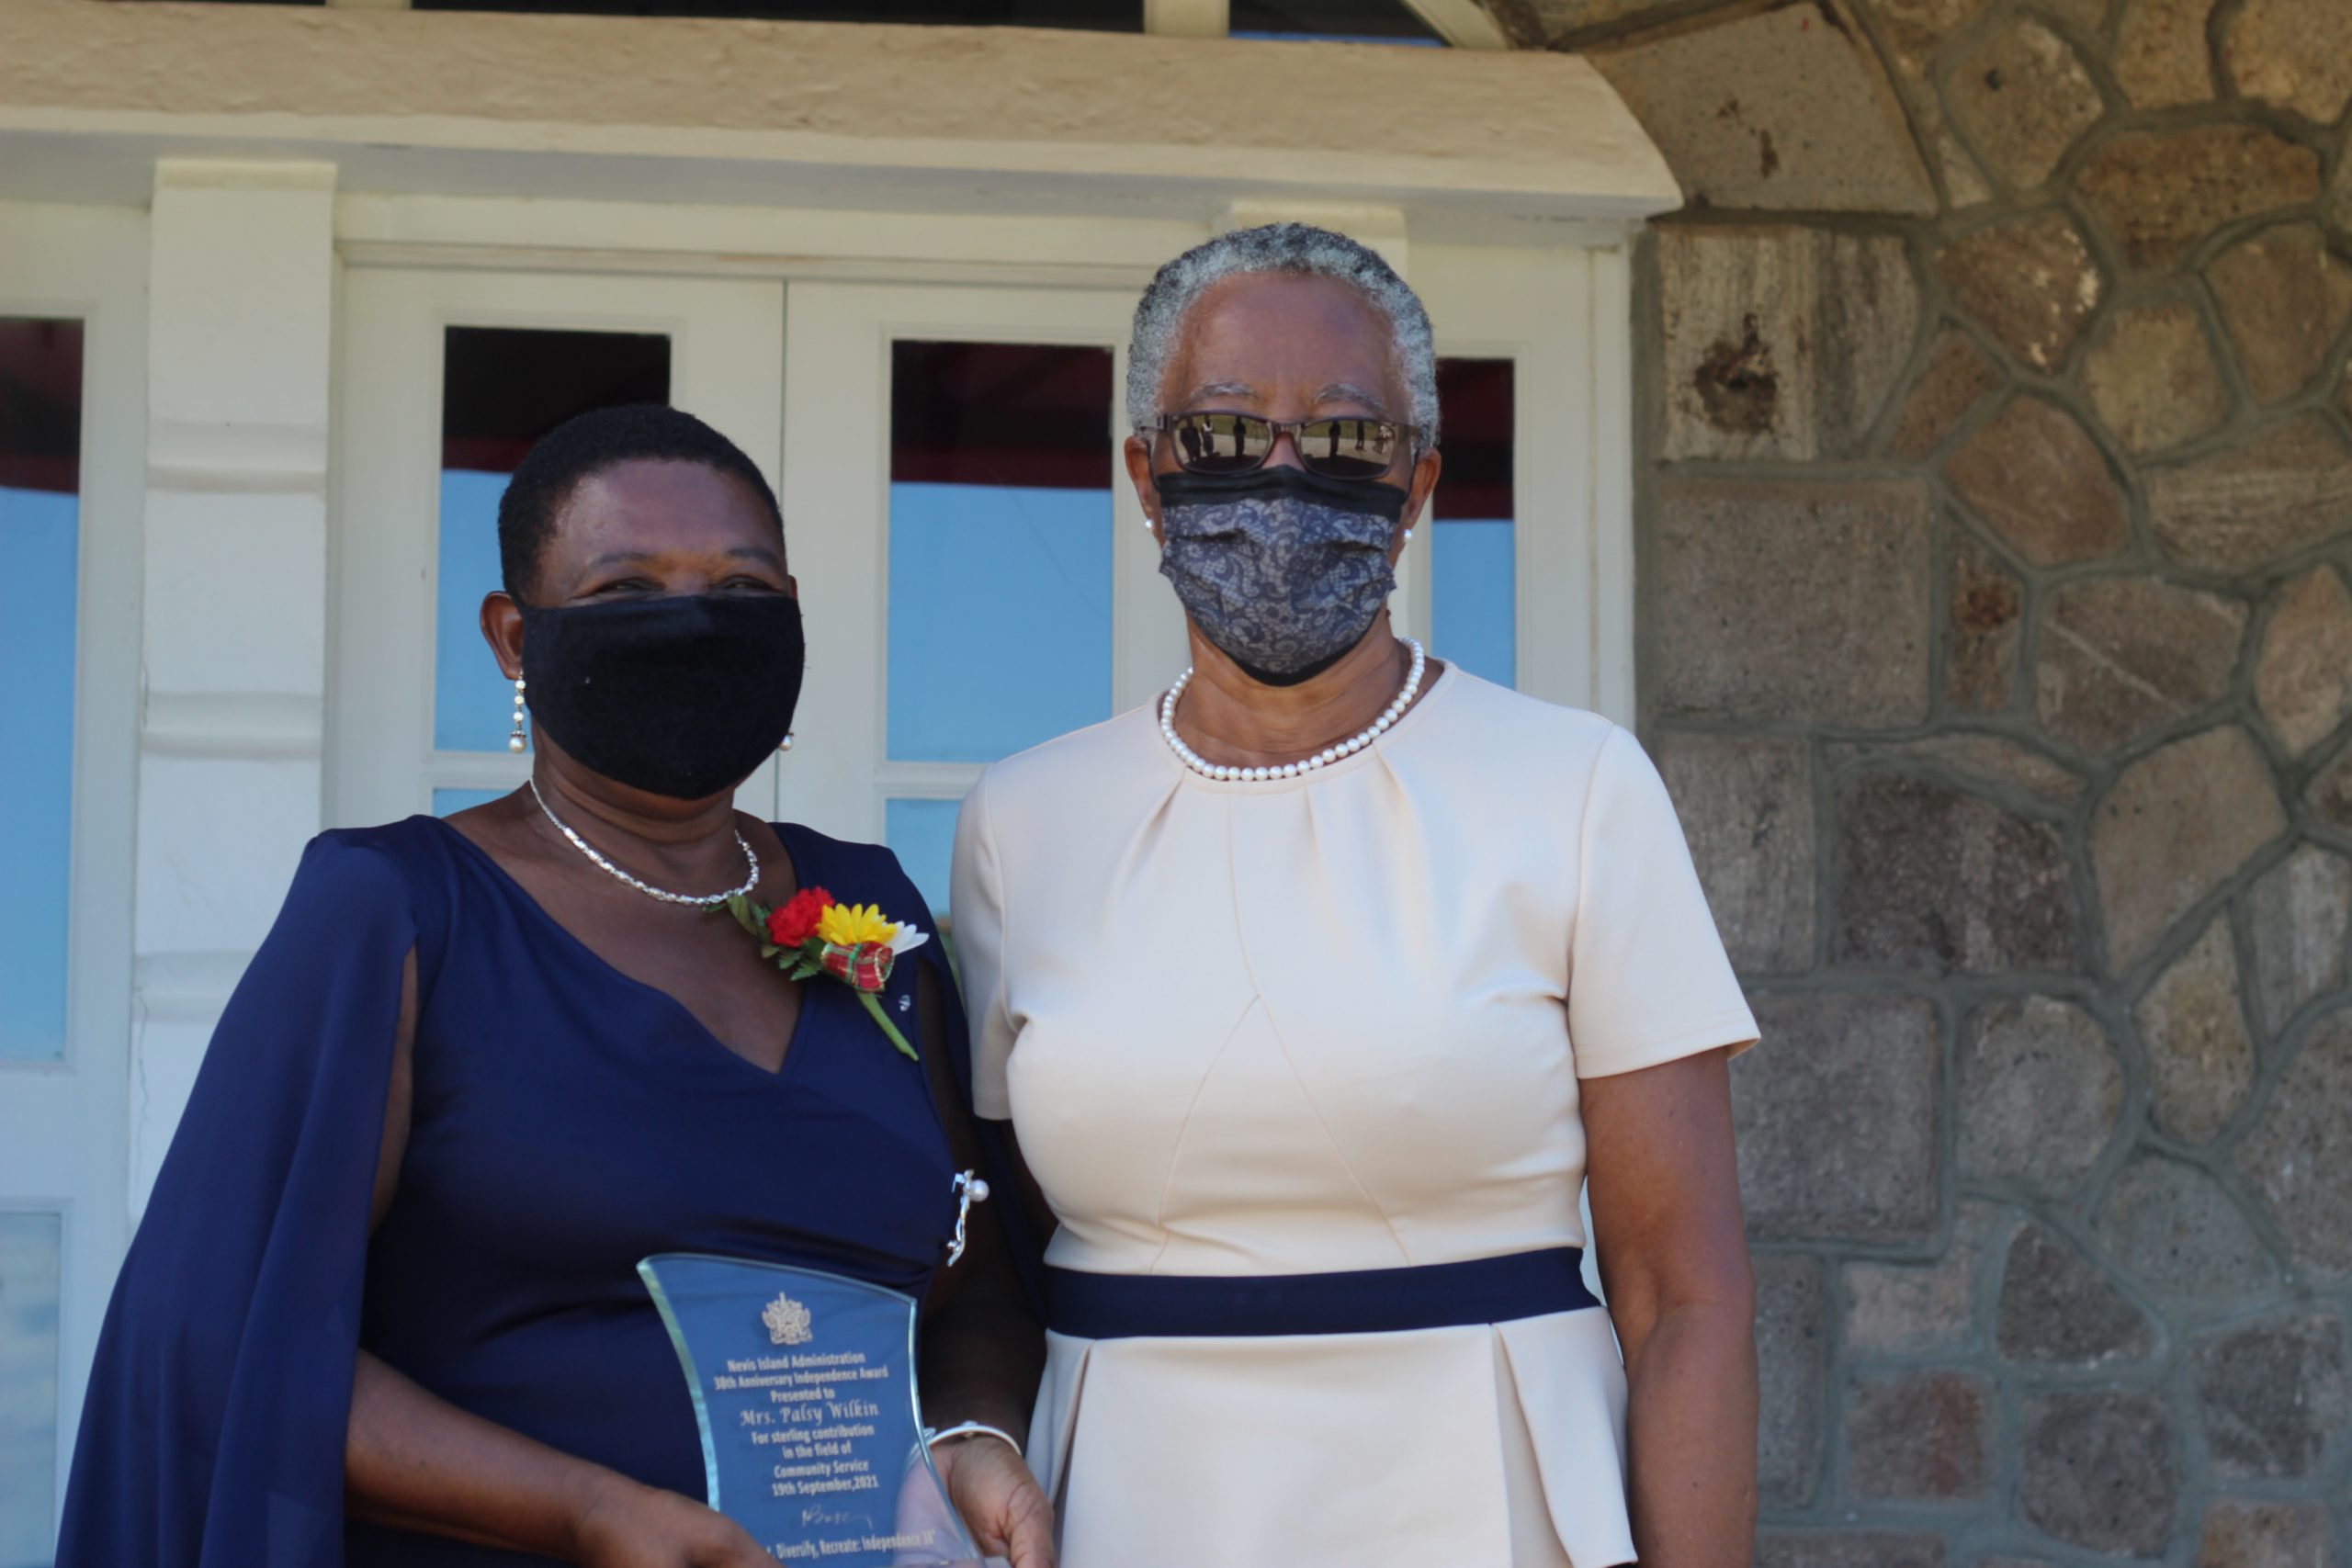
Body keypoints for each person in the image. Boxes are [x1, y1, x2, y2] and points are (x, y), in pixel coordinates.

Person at [59, 405, 1053, 1568]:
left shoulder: (869, 910)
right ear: (514, 639)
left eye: (741, 591)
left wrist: (978, 1432)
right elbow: (222, 1339)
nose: (692, 624)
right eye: (627, 592)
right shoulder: (394, 908)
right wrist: (587, 1512)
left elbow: (979, 1277)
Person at [950, 225, 1760, 1568]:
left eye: (1343, 438)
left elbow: (1684, 1292)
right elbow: (991, 1253)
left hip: (1485, 1496)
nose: (1281, 473)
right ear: (1145, 477)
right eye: (1220, 434)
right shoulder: (1024, 821)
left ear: (1419, 480)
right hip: (1131, 1504)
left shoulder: (1575, 786)